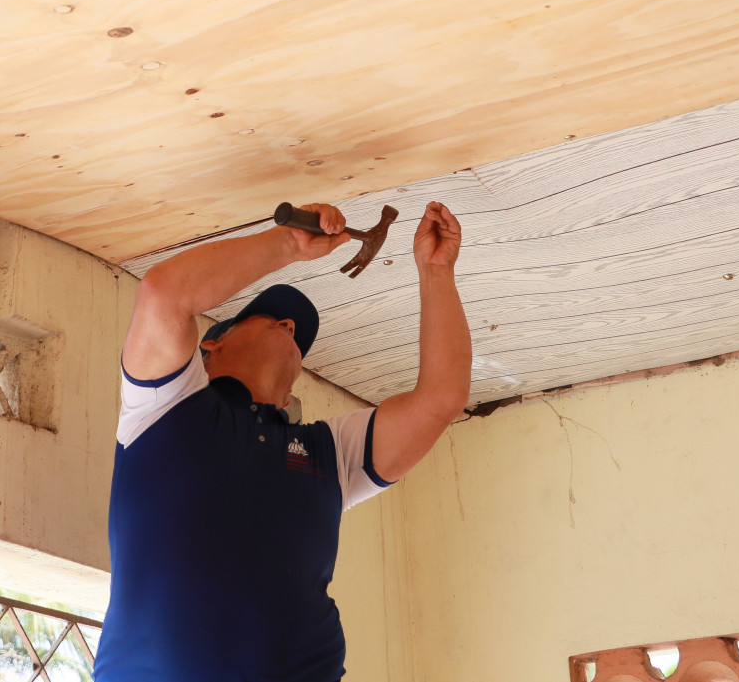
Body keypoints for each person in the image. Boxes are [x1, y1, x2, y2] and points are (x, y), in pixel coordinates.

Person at [94, 201, 471, 682]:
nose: (290, 326)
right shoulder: (163, 405)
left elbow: (441, 399)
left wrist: (437, 272)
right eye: (269, 318)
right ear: (211, 345)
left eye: (295, 333)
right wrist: (288, 244)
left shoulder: (329, 452)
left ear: (292, 392)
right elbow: (164, 292)